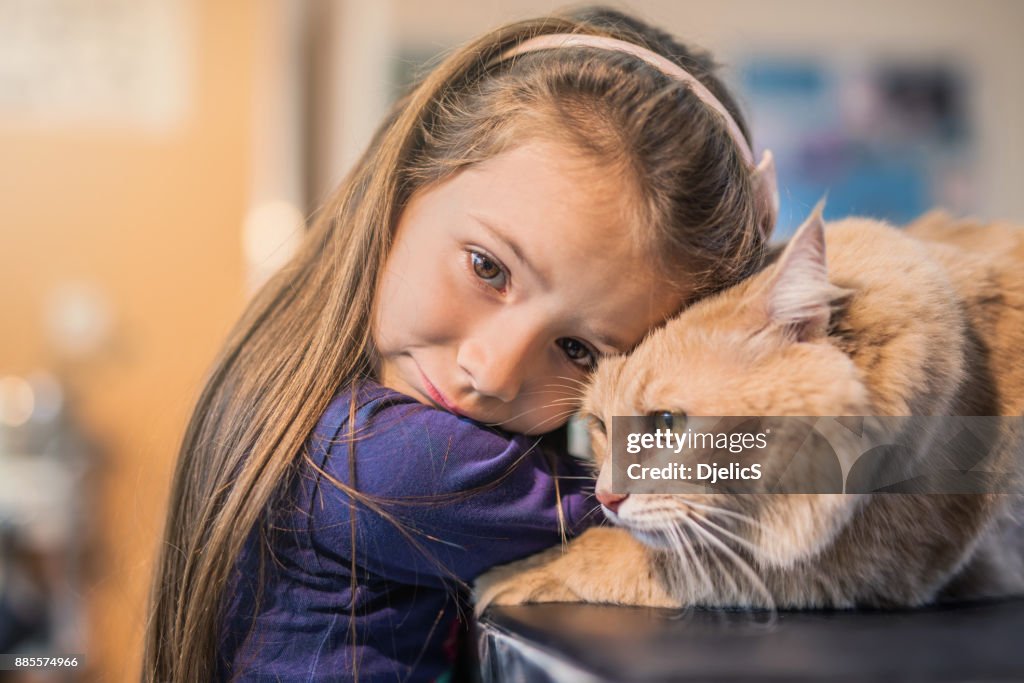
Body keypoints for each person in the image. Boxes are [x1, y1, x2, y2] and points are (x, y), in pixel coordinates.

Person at [141, 6, 778, 682]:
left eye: (580, 350)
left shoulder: (299, 391)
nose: (494, 371)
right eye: (488, 268)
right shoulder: (382, 463)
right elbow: (792, 467)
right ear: (405, 182)